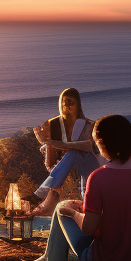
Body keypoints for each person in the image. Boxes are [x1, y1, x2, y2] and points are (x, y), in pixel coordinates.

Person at [26, 114, 131, 261]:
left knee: (61, 208)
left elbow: (88, 228)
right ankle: (49, 259)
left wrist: (72, 212)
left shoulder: (99, 177)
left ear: (101, 143)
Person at [29, 88, 103, 217]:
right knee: (74, 152)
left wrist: (56, 143)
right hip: (63, 168)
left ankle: (43, 192)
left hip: (90, 167)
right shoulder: (53, 124)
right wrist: (47, 143)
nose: (66, 106)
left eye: (70, 103)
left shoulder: (88, 125)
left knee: (76, 151)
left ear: (78, 105)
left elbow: (87, 146)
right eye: (64, 102)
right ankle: (46, 194)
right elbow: (50, 164)